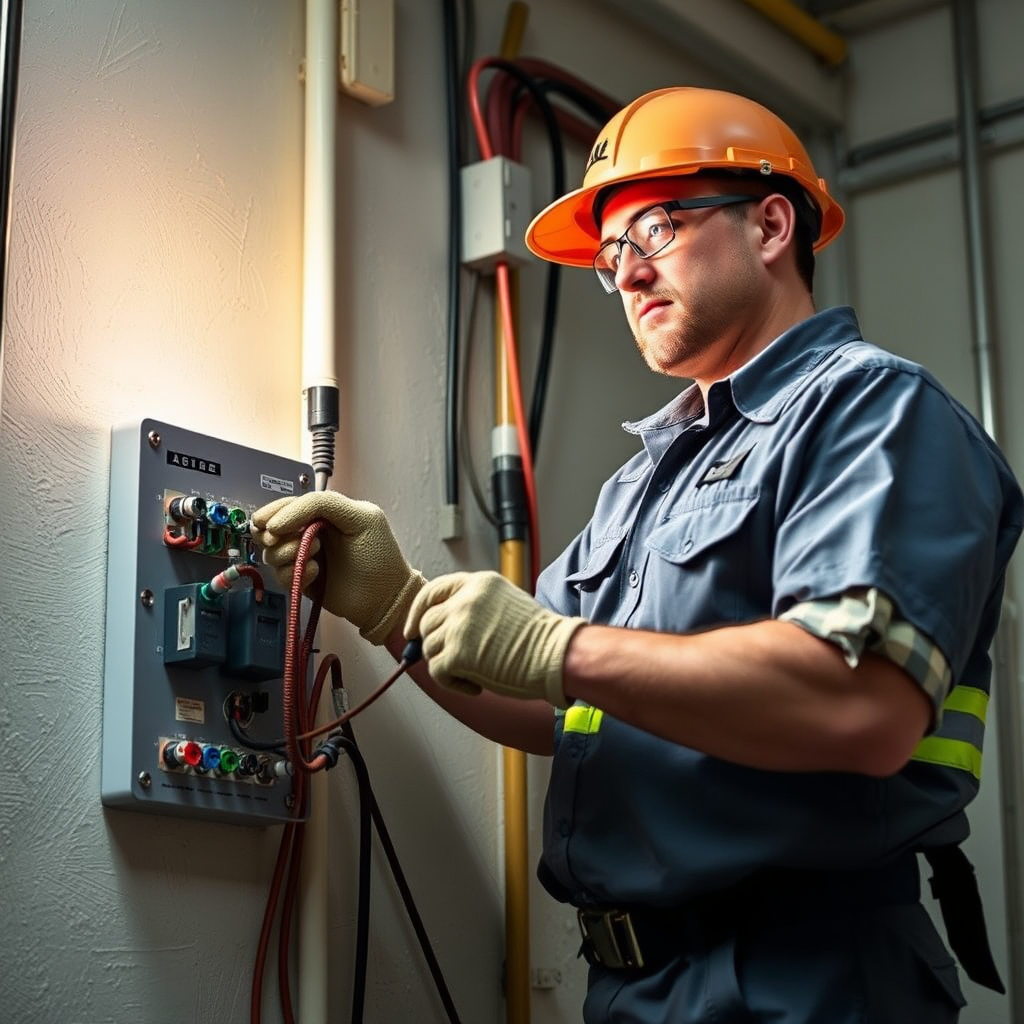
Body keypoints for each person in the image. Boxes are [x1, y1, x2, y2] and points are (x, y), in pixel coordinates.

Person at [250, 87, 1023, 1024]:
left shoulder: (873, 414)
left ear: (772, 224)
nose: (627, 278)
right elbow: (548, 701)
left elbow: (860, 702)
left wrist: (560, 648)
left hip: (803, 979)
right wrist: (397, 607)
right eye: (611, 258)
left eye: (653, 232)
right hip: (632, 988)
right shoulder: (644, 483)